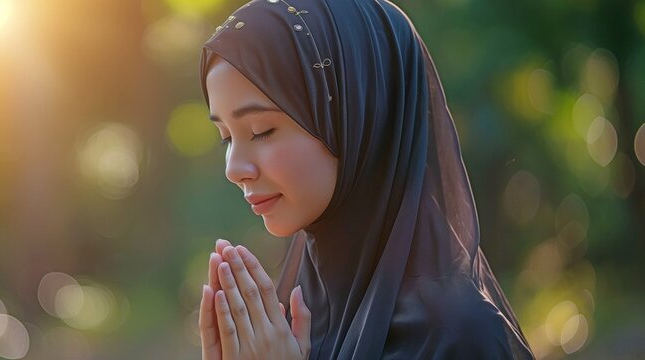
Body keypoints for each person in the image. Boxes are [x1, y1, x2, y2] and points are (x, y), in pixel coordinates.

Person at [196, 0, 535, 359]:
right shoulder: (298, 309)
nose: (233, 169)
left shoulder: (459, 336)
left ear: (356, 119)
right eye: (226, 138)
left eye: (261, 130)